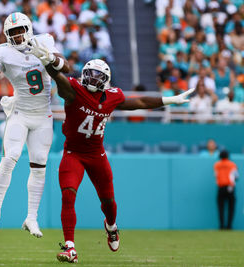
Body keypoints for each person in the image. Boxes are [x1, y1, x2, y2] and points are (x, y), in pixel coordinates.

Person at [30, 44, 194, 262]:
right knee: (68, 195)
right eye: (88, 74)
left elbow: (141, 102)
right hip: (73, 153)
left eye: (97, 76)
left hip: (96, 155)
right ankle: (70, 247)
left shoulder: (112, 96)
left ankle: (111, 226)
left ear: (106, 81)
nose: (91, 79)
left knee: (108, 202)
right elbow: (59, 79)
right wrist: (48, 62)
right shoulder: (74, 90)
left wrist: (168, 100)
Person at [0, 12, 70, 237]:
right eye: (12, 33)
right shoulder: (3, 52)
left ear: (28, 29)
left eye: (20, 31)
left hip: (43, 116)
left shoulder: (45, 41)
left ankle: (31, 218)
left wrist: (48, 57)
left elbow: (66, 68)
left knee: (39, 167)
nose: (17, 36)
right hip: (20, 113)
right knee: (10, 159)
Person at [214, 150, 239, 230]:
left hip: (221, 188)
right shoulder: (232, 164)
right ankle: (229, 226)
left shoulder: (216, 165)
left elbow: (216, 175)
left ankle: (221, 226)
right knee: (231, 208)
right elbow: (236, 176)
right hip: (230, 188)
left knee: (221, 208)